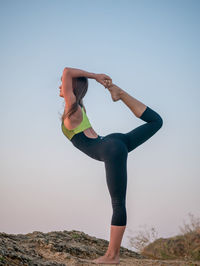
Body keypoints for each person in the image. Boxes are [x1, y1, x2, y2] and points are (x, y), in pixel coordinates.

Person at [59, 67, 163, 265]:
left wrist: (96, 77)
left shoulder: (72, 106)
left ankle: (112, 256)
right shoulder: (77, 107)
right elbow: (67, 75)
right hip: (113, 142)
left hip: (111, 149)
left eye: (62, 84)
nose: (59, 86)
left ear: (71, 88)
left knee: (118, 203)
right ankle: (120, 93)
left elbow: (66, 71)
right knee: (156, 121)